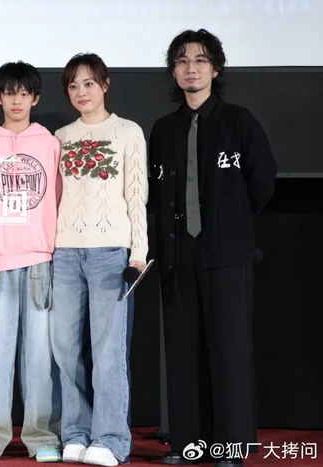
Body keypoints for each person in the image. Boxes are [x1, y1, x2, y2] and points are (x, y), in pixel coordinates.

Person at [149, 29, 277, 467]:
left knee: (230, 351)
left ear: (215, 69)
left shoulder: (239, 121)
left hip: (227, 255)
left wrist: (232, 223)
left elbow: (262, 181)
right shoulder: (164, 129)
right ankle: (188, 443)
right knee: (183, 352)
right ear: (173, 71)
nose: (191, 68)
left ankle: (232, 446)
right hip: (177, 255)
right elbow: (156, 192)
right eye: (182, 61)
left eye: (201, 60)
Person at [50, 53, 149, 466]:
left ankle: (111, 439)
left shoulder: (128, 131)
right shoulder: (60, 136)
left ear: (105, 85)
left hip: (111, 252)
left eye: (88, 83)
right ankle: (75, 433)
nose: (81, 92)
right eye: (73, 85)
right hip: (64, 252)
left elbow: (137, 195)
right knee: (63, 347)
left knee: (108, 351)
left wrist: (139, 253)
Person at [0, 61, 62, 463]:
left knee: (41, 354)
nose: (17, 101)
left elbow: (57, 197)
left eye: (24, 93)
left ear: (35, 98)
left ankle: (43, 437)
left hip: (40, 259)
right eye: (10, 93)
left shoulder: (49, 143)